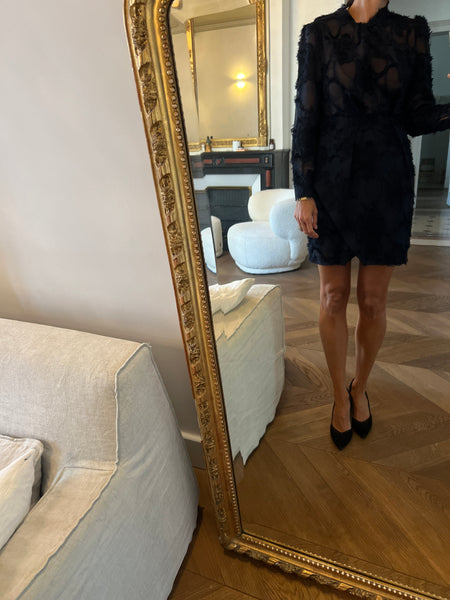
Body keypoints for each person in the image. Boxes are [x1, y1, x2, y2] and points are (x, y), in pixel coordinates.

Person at [292, 0, 450, 449]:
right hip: (329, 183)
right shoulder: (318, 33)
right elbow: (306, 116)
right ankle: (338, 398)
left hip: (387, 183)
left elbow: (417, 116)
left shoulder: (411, 32)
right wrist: (302, 190)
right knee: (332, 296)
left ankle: (359, 386)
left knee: (374, 302)